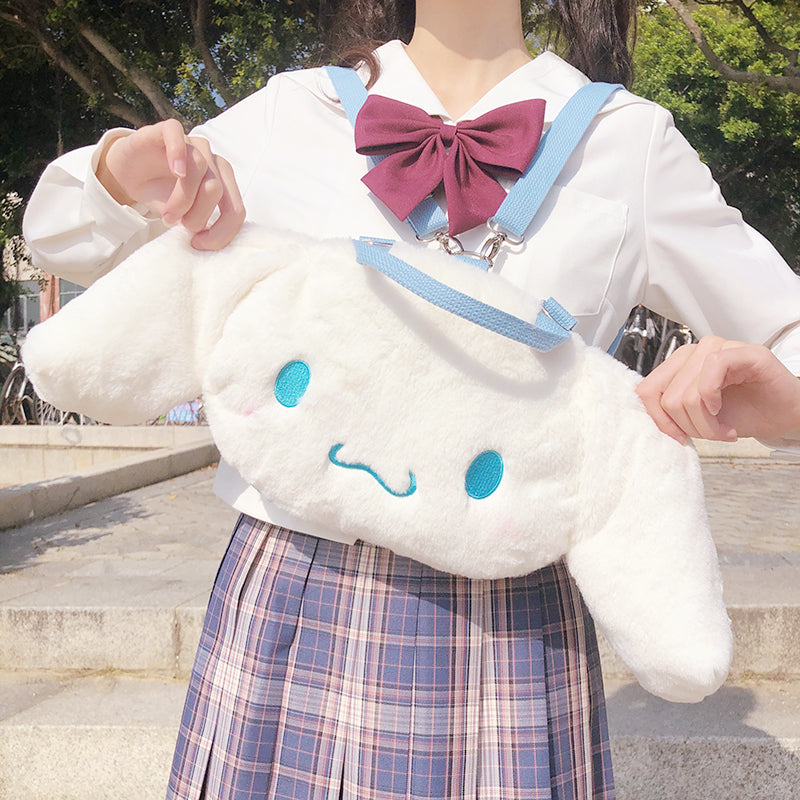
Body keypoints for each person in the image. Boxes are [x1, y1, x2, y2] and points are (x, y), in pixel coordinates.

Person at [22, 1, 800, 798]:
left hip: (508, 619)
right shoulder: (294, 110)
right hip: (292, 588)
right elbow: (63, 240)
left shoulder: (627, 141)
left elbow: (786, 325)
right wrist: (121, 172)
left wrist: (779, 402)